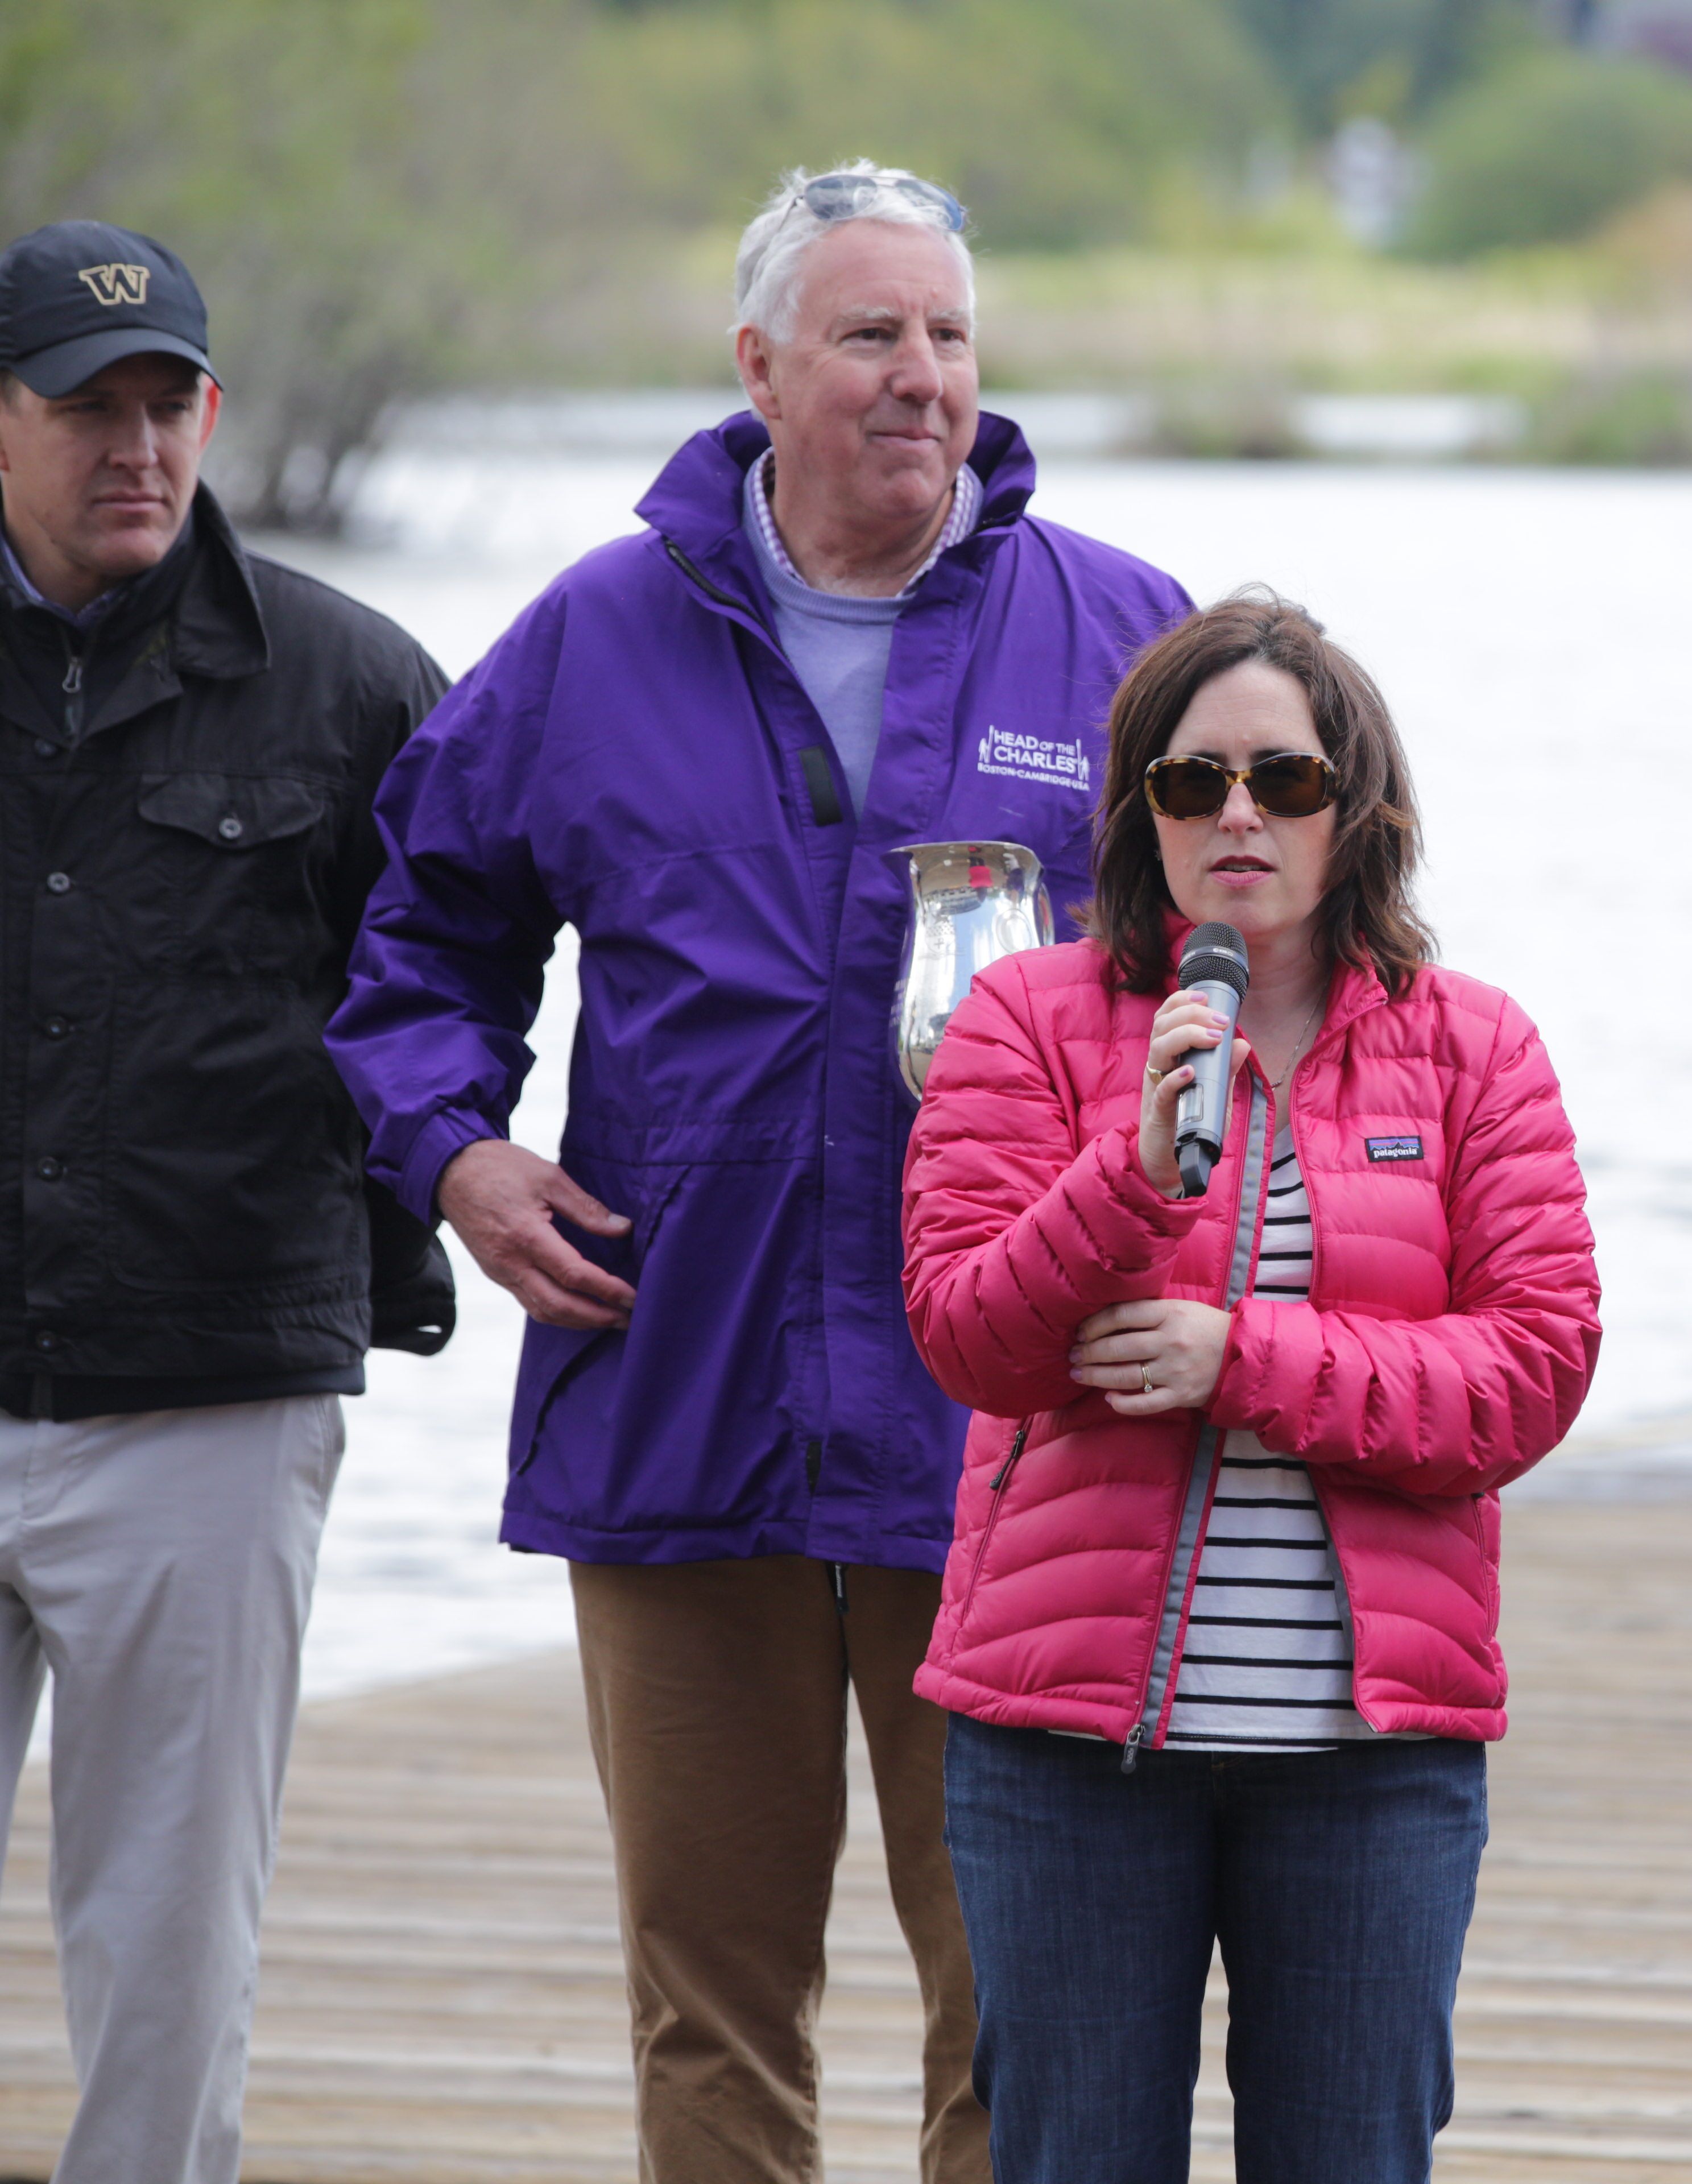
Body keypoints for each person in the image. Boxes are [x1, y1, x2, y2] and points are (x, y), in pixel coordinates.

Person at [325, 163, 1189, 2182]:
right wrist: (456, 1152)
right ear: (759, 367)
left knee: (1023, 2003)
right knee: (707, 2003)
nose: (922, 377)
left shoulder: (1126, 641)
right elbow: (417, 943)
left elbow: (1286, 961)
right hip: (673, 1384)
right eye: (871, 335)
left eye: (951, 335)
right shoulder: (595, 636)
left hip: (1005, 1422)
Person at [896, 590, 1599, 2182]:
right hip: (1070, 1750)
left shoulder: (1476, 1050)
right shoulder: (1027, 1018)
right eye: (1190, 779)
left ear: (1357, 815)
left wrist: (1246, 1362)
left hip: (1369, 1767)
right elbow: (968, 1336)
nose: (1236, 814)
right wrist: (1129, 1171)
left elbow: (1535, 1370)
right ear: (1139, 809)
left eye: (1282, 780)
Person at [0, 218, 454, 2183]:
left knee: (170, 1953)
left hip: (205, 1394)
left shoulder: (354, 685)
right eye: (86, 405)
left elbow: (462, 987)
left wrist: (459, 1189)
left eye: (169, 400)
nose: (138, 444)